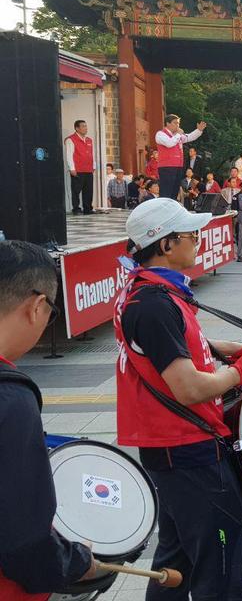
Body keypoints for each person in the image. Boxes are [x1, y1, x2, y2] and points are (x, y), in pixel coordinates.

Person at [115, 199, 242, 600]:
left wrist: (231, 350)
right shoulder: (153, 305)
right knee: (220, 561)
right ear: (165, 245)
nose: (198, 241)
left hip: (171, 449)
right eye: (191, 235)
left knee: (176, 562)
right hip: (187, 449)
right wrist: (240, 374)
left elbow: (175, 347)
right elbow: (186, 387)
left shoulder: (150, 293)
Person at [0, 241, 100, 598]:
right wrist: (77, 563)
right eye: (50, 312)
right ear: (37, 305)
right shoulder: (11, 399)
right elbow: (24, 541)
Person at [155, 114, 206, 200]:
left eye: (178, 123)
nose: (178, 125)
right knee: (166, 192)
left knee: (174, 192)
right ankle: (164, 211)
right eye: (175, 123)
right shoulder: (160, 134)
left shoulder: (176, 136)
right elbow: (169, 143)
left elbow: (189, 137)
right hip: (167, 167)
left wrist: (199, 130)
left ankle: (172, 210)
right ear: (168, 123)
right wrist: (178, 134)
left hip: (178, 167)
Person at [65, 119, 96, 214]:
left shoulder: (89, 140)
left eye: (86, 126)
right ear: (77, 128)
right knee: (76, 190)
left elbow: (92, 154)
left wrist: (93, 165)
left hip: (88, 169)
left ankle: (88, 208)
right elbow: (69, 155)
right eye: (83, 126)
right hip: (77, 169)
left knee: (88, 190)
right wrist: (72, 168)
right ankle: (76, 209)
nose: (85, 128)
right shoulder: (71, 139)